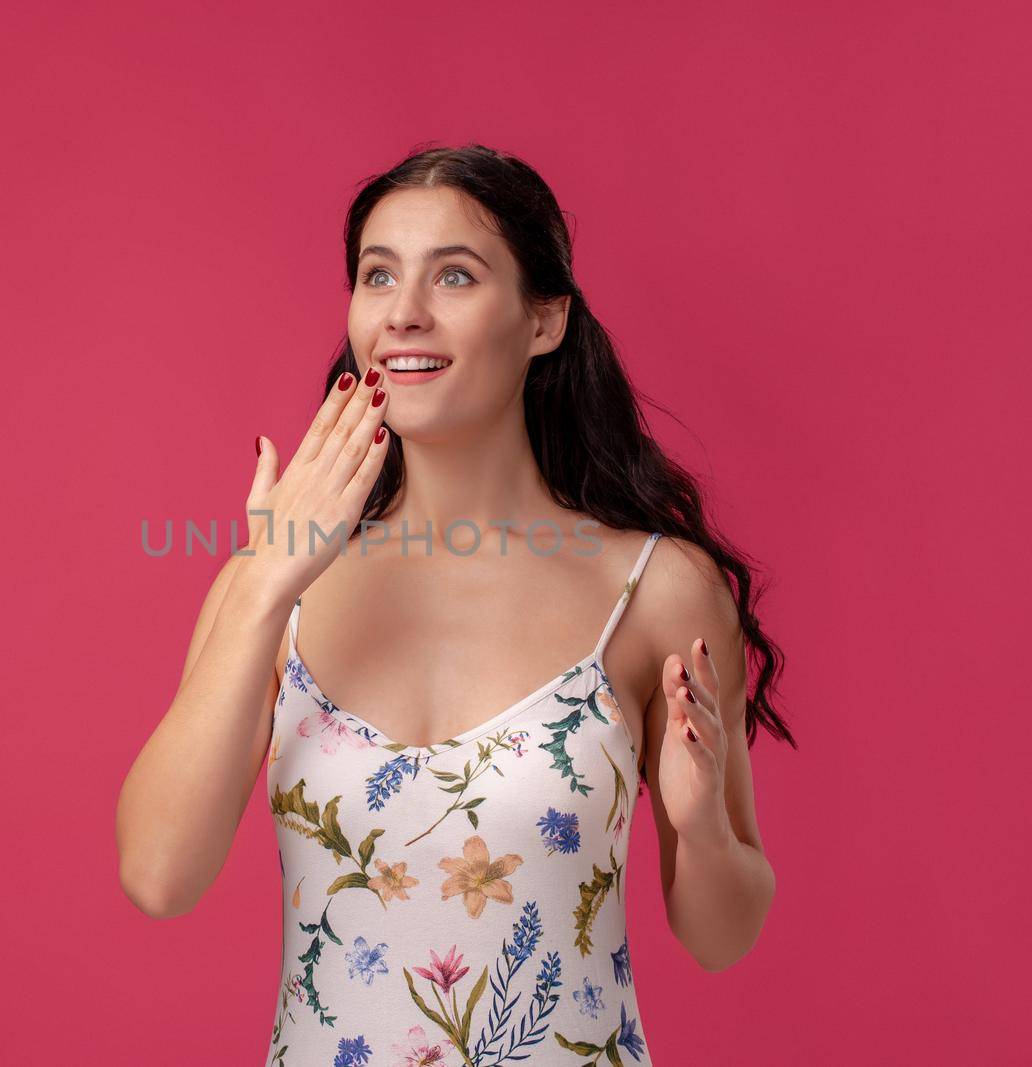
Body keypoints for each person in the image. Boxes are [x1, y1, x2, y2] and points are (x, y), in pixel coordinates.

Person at [117, 143, 796, 1065]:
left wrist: (701, 822)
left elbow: (724, 936)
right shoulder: (271, 587)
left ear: (545, 318)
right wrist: (267, 581)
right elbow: (158, 878)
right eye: (377, 274)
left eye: (456, 276)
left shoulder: (654, 588)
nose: (403, 313)